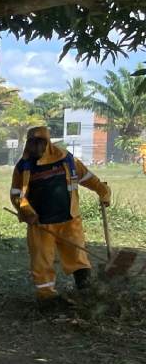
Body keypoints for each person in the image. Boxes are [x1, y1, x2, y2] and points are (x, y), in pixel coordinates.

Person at [10, 126, 111, 303]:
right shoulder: (24, 166)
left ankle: (86, 291)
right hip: (40, 224)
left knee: (78, 255)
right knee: (41, 260)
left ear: (47, 143)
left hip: (69, 221)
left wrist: (103, 191)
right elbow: (16, 193)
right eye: (31, 143)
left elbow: (88, 178)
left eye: (39, 142)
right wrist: (26, 211)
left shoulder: (67, 159)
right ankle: (46, 296)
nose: (34, 147)